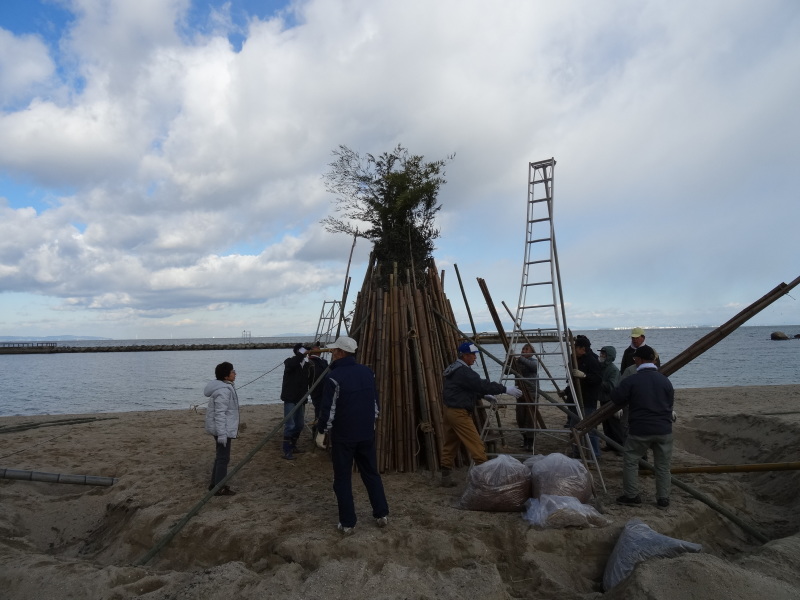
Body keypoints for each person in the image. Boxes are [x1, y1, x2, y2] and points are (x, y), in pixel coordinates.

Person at [316, 336, 389, 535]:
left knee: (342, 478)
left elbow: (328, 409)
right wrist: (370, 424)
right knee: (371, 473)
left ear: (341, 353)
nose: (331, 354)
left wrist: (322, 430)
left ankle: (348, 522)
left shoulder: (333, 377)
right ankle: (381, 513)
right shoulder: (367, 372)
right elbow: (374, 404)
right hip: (366, 433)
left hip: (344, 435)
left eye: (333, 351)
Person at [440, 341, 523, 487]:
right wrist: (504, 389)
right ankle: (485, 479)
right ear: (465, 355)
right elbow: (481, 384)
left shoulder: (455, 369)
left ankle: (445, 477)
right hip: (459, 413)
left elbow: (463, 389)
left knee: (450, 444)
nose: (475, 358)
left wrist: (483, 396)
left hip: (450, 411)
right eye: (473, 355)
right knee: (476, 445)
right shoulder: (464, 372)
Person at [611, 344, 675, 509]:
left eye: (635, 359)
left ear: (638, 360)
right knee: (663, 466)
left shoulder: (633, 380)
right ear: (654, 360)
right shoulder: (665, 380)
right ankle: (663, 498)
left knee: (631, 460)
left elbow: (617, 397)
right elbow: (669, 403)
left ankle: (632, 495)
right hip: (664, 429)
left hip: (641, 429)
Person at [204, 361, 240, 496]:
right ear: (226, 376)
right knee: (223, 458)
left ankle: (215, 484)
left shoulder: (226, 387)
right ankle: (219, 487)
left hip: (223, 429)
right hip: (222, 429)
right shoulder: (223, 391)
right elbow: (220, 414)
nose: (235, 373)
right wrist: (222, 434)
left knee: (221, 456)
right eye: (232, 371)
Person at [568, 335, 603, 458]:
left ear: (582, 349)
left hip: (588, 399)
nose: (573, 350)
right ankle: (577, 453)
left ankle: (595, 455)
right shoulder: (574, 359)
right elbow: (572, 380)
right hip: (576, 398)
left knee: (590, 428)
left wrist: (584, 376)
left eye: (575, 348)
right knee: (574, 427)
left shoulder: (592, 360)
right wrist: (567, 390)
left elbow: (598, 379)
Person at [280, 343, 311, 460]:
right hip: (290, 398)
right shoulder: (289, 362)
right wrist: (301, 353)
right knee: (290, 425)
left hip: (301, 398)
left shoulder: (307, 365)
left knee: (299, 424)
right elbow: (292, 364)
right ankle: (286, 450)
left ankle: (293, 446)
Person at [597, 345, 624, 450]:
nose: (601, 355)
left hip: (611, 400)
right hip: (603, 399)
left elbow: (612, 386)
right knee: (606, 424)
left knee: (614, 424)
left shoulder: (613, 370)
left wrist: (599, 381)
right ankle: (610, 444)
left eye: (604, 354)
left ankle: (619, 446)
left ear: (609, 356)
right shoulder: (601, 367)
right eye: (601, 353)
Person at [515, 343, 539, 452]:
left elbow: (533, 367)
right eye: (523, 349)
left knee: (530, 418)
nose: (523, 351)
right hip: (520, 393)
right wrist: (510, 360)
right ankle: (525, 439)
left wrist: (520, 358)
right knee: (520, 418)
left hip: (531, 393)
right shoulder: (518, 362)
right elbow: (506, 371)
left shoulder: (533, 361)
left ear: (531, 352)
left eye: (526, 349)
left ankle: (531, 441)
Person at [307, 341, 330, 435]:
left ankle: (321, 431)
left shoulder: (323, 361)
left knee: (325, 411)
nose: (319, 349)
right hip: (317, 391)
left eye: (318, 347)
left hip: (326, 390)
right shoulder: (311, 362)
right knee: (319, 412)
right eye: (316, 348)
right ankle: (317, 432)